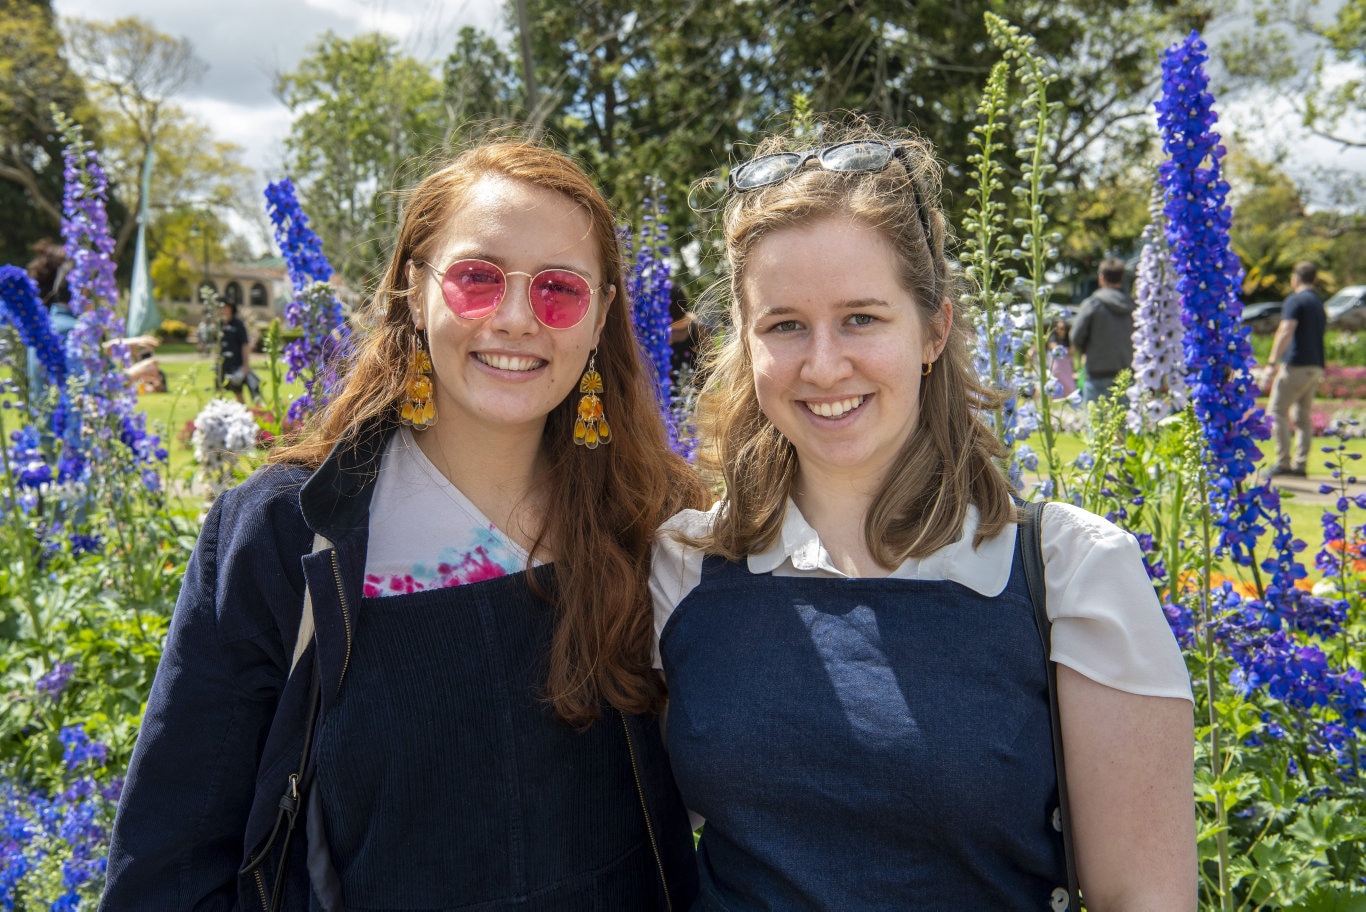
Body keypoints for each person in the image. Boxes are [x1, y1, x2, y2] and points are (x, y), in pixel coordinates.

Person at [102, 140, 704, 909]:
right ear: (415, 292)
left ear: (602, 318)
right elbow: (170, 866)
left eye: (559, 289)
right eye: (477, 278)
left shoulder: (655, 524)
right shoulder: (289, 533)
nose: (517, 318)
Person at [650, 123, 1196, 910]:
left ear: (934, 330)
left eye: (863, 318)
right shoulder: (685, 564)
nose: (824, 363)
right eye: (785, 324)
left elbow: (1142, 898)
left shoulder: (1067, 569)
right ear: (746, 341)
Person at [1267, 260, 1326, 478]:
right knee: (1302, 417)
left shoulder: (1295, 300)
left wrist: (1272, 361)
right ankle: (1300, 465)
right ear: (1315, 279)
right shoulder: (1318, 303)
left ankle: (1283, 463)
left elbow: (1286, 329)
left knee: (1276, 412)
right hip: (1316, 366)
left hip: (1296, 365)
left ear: (1294, 278)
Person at [1071, 257, 1136, 404]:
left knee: (1097, 424)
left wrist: (1085, 350)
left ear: (1101, 278)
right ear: (1122, 278)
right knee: (1123, 424)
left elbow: (1076, 336)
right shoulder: (1133, 307)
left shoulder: (1093, 304)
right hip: (1126, 374)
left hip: (1096, 373)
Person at [219, 298, 263, 403]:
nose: (221, 310)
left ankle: (250, 413)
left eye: (224, 307)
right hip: (224, 365)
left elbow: (245, 344)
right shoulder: (220, 325)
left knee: (242, 391)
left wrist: (246, 365)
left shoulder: (238, 324)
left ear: (230, 309)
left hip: (237, 364)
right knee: (222, 391)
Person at [1048, 317, 1076, 399]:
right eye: (1060, 328)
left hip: (1067, 368)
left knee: (1070, 387)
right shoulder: (1052, 338)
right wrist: (1066, 351)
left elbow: (1073, 352)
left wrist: (1063, 350)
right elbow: (1055, 349)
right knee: (1056, 385)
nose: (1062, 330)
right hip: (1057, 367)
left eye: (1064, 328)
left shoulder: (1068, 339)